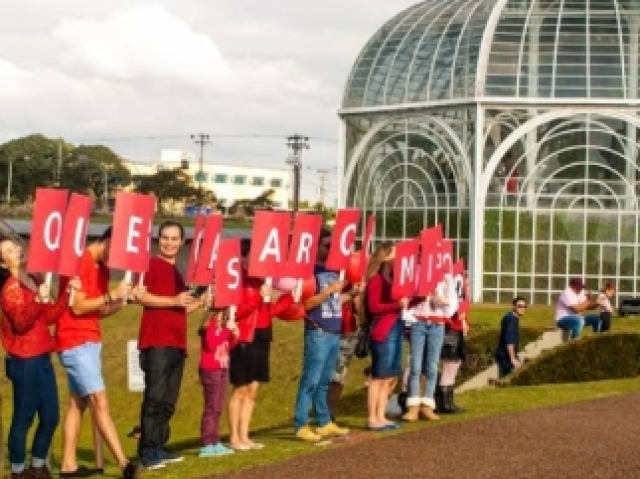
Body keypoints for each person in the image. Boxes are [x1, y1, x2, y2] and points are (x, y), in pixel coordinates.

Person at [56, 227, 140, 479]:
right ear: (108, 241)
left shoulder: (101, 269)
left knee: (77, 403)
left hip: (89, 340)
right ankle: (124, 463)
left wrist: (122, 301)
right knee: (99, 401)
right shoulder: (80, 260)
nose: (117, 263)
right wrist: (110, 295)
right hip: (75, 340)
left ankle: (68, 465)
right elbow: (79, 307)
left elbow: (99, 310)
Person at [0, 236, 79, 479]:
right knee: (23, 417)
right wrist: (36, 297)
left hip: (42, 356)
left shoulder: (35, 279)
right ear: (4, 263)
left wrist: (68, 293)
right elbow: (22, 323)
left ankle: (37, 464)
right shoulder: (10, 288)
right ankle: (18, 470)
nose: (17, 250)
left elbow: (50, 316)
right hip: (24, 361)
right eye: (9, 251)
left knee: (50, 416)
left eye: (16, 246)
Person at [134, 220, 206, 469]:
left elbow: (180, 309)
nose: (169, 242)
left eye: (174, 239)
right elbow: (140, 296)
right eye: (165, 237)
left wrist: (201, 302)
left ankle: (160, 446)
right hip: (156, 342)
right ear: (158, 239)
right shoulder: (150, 264)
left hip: (177, 343)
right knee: (154, 397)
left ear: (182, 242)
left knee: (168, 400)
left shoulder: (179, 272)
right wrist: (173, 299)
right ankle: (147, 451)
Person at [229, 238, 293, 449]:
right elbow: (235, 312)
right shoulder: (238, 280)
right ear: (243, 258)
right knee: (240, 388)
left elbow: (268, 312)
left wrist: (288, 300)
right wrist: (257, 298)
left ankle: (245, 436)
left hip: (262, 336)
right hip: (244, 336)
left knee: (253, 389)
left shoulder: (261, 281)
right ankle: (234, 437)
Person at [293, 230, 353, 442]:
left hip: (333, 331)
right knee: (311, 379)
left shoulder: (334, 271)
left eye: (332, 247)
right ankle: (300, 423)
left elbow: (335, 301)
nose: (330, 251)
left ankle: (324, 421)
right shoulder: (310, 273)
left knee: (325, 381)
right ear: (316, 247)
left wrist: (352, 294)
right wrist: (328, 291)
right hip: (317, 331)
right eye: (326, 246)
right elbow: (306, 304)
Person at [366, 241, 409, 431]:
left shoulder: (393, 280)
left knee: (388, 377)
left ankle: (381, 415)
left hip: (395, 326)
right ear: (385, 257)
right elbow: (374, 307)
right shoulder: (376, 280)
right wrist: (396, 305)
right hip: (383, 329)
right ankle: (372, 417)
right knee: (378, 376)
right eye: (394, 255)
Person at [402, 274, 454, 422]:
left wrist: (441, 300)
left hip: (437, 324)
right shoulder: (416, 272)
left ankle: (427, 405)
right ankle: (413, 406)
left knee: (431, 367)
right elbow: (407, 297)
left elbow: (452, 304)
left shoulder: (446, 277)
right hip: (418, 322)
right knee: (415, 366)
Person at [198, 307, 237, 457]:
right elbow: (211, 344)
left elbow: (226, 346)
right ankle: (206, 442)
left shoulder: (222, 324)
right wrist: (227, 331)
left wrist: (234, 336)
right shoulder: (211, 324)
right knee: (211, 407)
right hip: (211, 369)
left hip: (222, 368)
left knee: (218, 407)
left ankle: (215, 440)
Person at [327, 280, 364, 420]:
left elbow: (358, 306)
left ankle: (329, 411)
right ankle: (324, 411)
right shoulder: (330, 277)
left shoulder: (354, 279)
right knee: (330, 373)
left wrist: (358, 296)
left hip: (349, 329)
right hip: (332, 328)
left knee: (340, 373)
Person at [437, 272, 469, 414]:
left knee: (454, 366)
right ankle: (444, 403)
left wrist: (465, 323)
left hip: (457, 331)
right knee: (449, 366)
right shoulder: (452, 293)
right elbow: (448, 311)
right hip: (451, 331)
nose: (467, 282)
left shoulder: (462, 296)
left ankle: (448, 401)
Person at [495, 297, 527, 378]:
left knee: (505, 379)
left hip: (505, 355)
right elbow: (510, 340)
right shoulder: (511, 319)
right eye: (519, 306)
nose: (522, 308)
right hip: (506, 356)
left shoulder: (510, 317)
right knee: (509, 379)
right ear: (514, 306)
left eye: (524, 306)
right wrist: (513, 359)